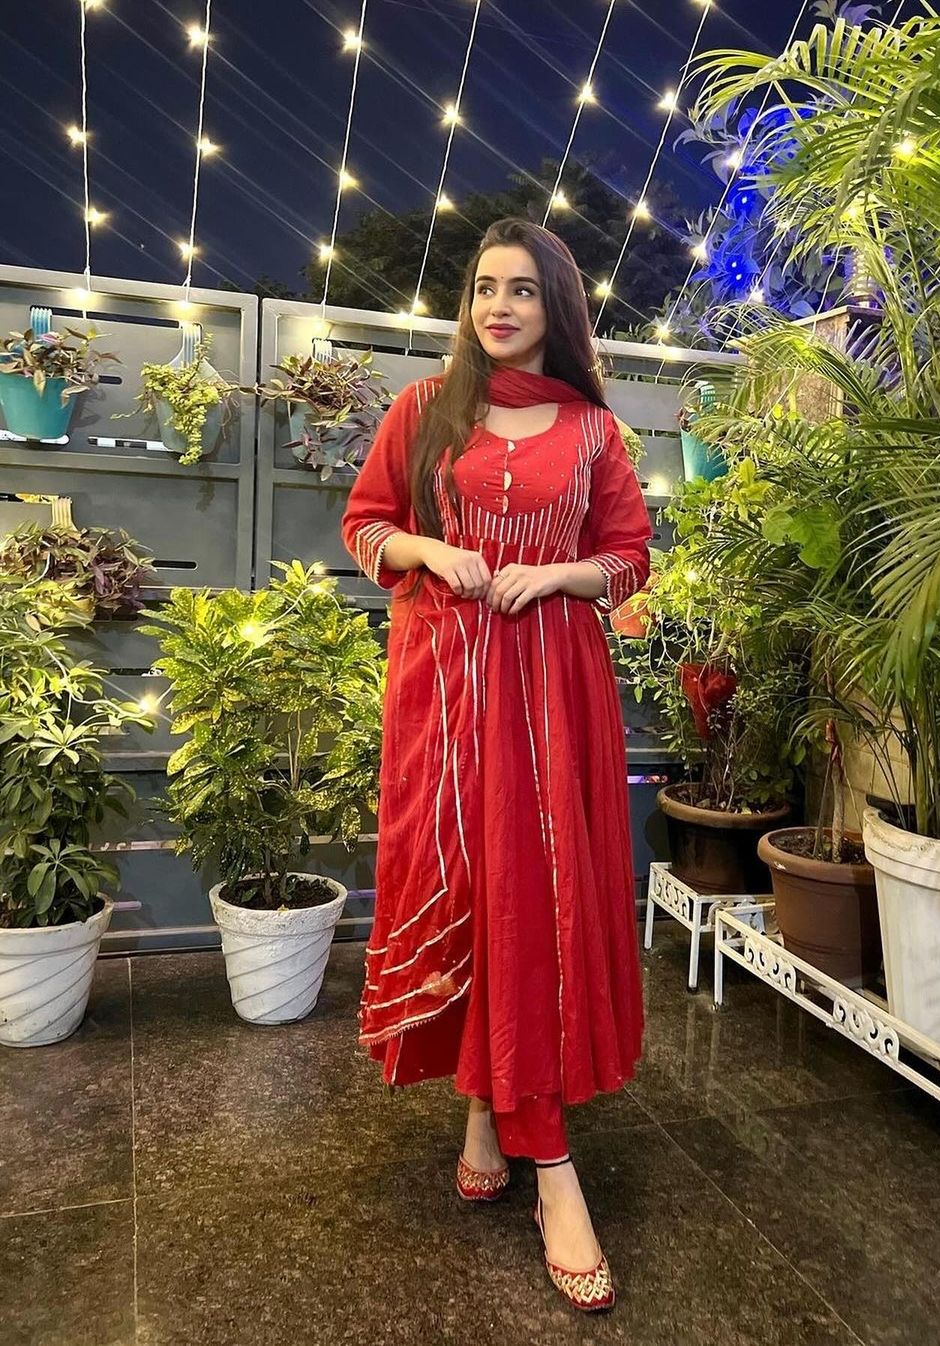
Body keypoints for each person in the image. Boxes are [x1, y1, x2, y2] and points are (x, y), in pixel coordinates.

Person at [340, 216, 652, 1313]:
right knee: (475, 889)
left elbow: (629, 559)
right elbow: (366, 525)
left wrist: (558, 574)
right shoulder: (426, 410)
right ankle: (486, 1098)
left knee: (538, 900)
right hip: (447, 691)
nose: (498, 306)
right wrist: (430, 546)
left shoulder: (595, 431)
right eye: (483, 287)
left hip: (554, 696)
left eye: (521, 289)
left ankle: (546, 1162)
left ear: (555, 306)